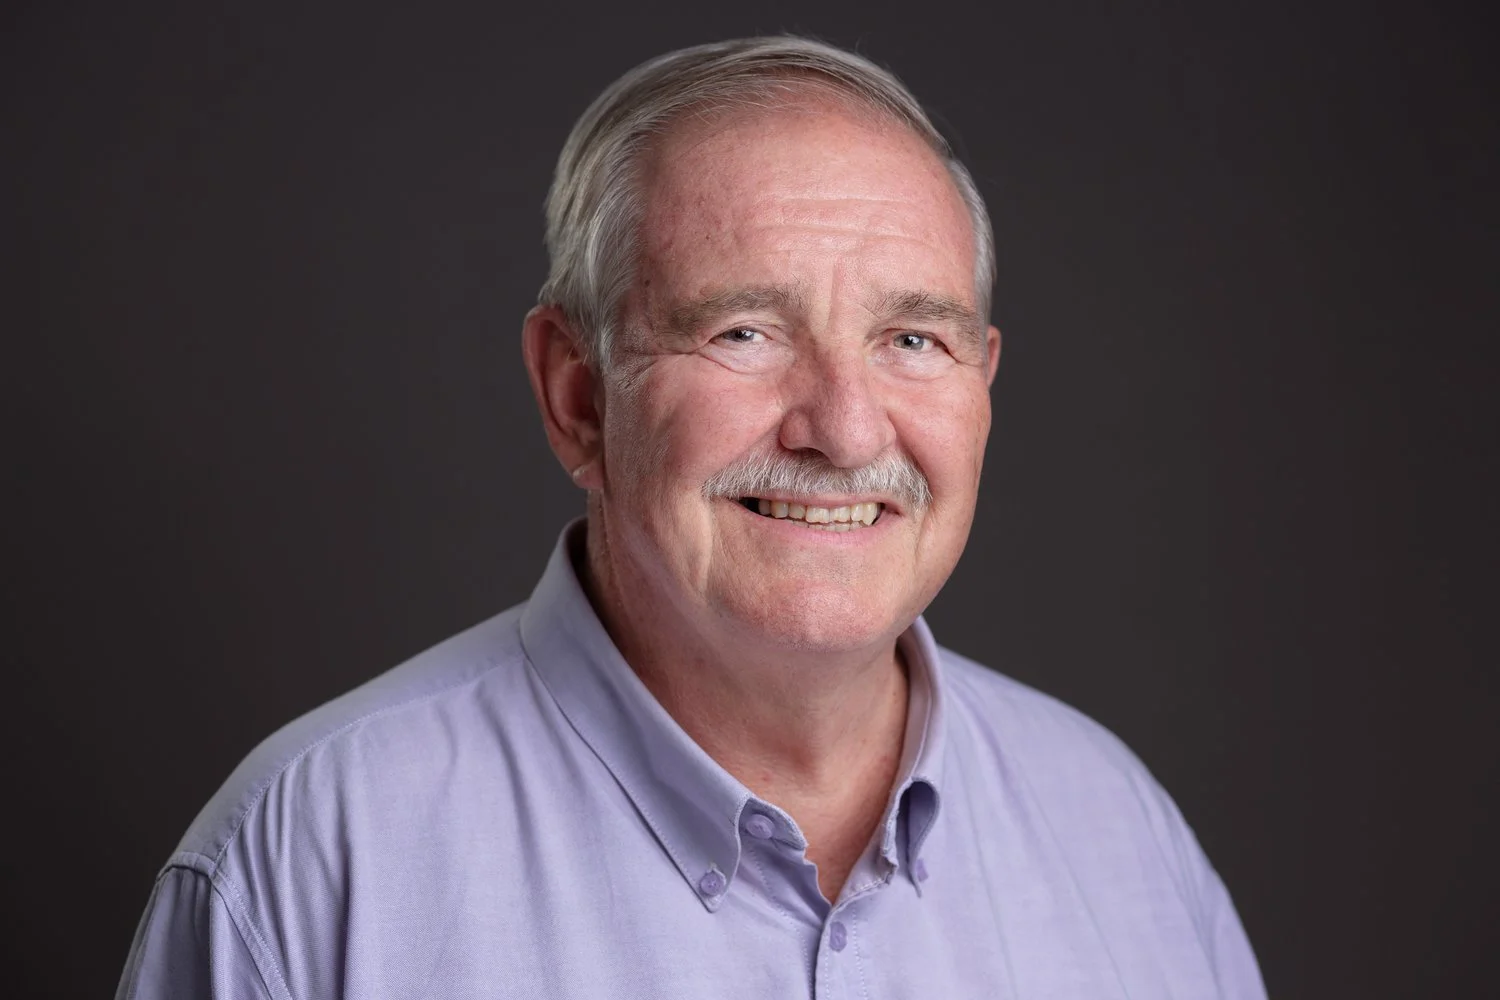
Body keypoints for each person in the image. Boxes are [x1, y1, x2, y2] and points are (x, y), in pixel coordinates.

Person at [117, 36, 1266, 999]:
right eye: (744, 333)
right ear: (579, 397)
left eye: (913, 339)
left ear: (984, 384)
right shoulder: (308, 864)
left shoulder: (1120, 834)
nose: (849, 429)